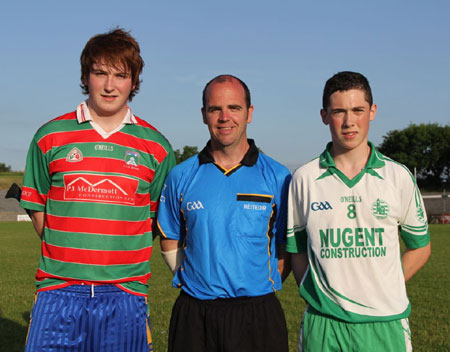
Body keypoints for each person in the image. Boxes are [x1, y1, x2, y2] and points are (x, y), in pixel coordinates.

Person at [20, 28, 175, 352]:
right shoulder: (50, 137)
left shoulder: (157, 148)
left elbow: (151, 221)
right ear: (85, 76)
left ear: (134, 82)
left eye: (120, 74)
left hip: (125, 293)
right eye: (100, 72)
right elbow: (38, 208)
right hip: (58, 290)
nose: (109, 85)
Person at [286, 71, 431, 351]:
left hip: (385, 323)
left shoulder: (398, 176)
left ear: (372, 111)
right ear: (324, 116)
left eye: (358, 110)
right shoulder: (304, 178)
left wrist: (385, 285)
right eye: (339, 111)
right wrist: (316, 292)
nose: (349, 121)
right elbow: (297, 249)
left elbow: (420, 247)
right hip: (324, 323)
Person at [154, 74, 291, 352]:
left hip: (258, 314)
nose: (224, 117)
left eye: (234, 108)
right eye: (215, 109)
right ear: (204, 115)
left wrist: (257, 283)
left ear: (249, 113)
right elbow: (169, 236)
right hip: (195, 315)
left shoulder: (278, 176)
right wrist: (195, 280)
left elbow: (287, 245)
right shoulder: (181, 175)